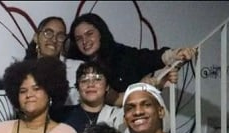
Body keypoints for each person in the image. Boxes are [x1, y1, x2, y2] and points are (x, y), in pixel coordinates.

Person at [66, 12, 197, 106]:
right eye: (79, 38)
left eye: (89, 34)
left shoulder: (122, 55)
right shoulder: (72, 66)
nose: (85, 41)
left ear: (100, 33)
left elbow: (151, 58)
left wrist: (176, 54)